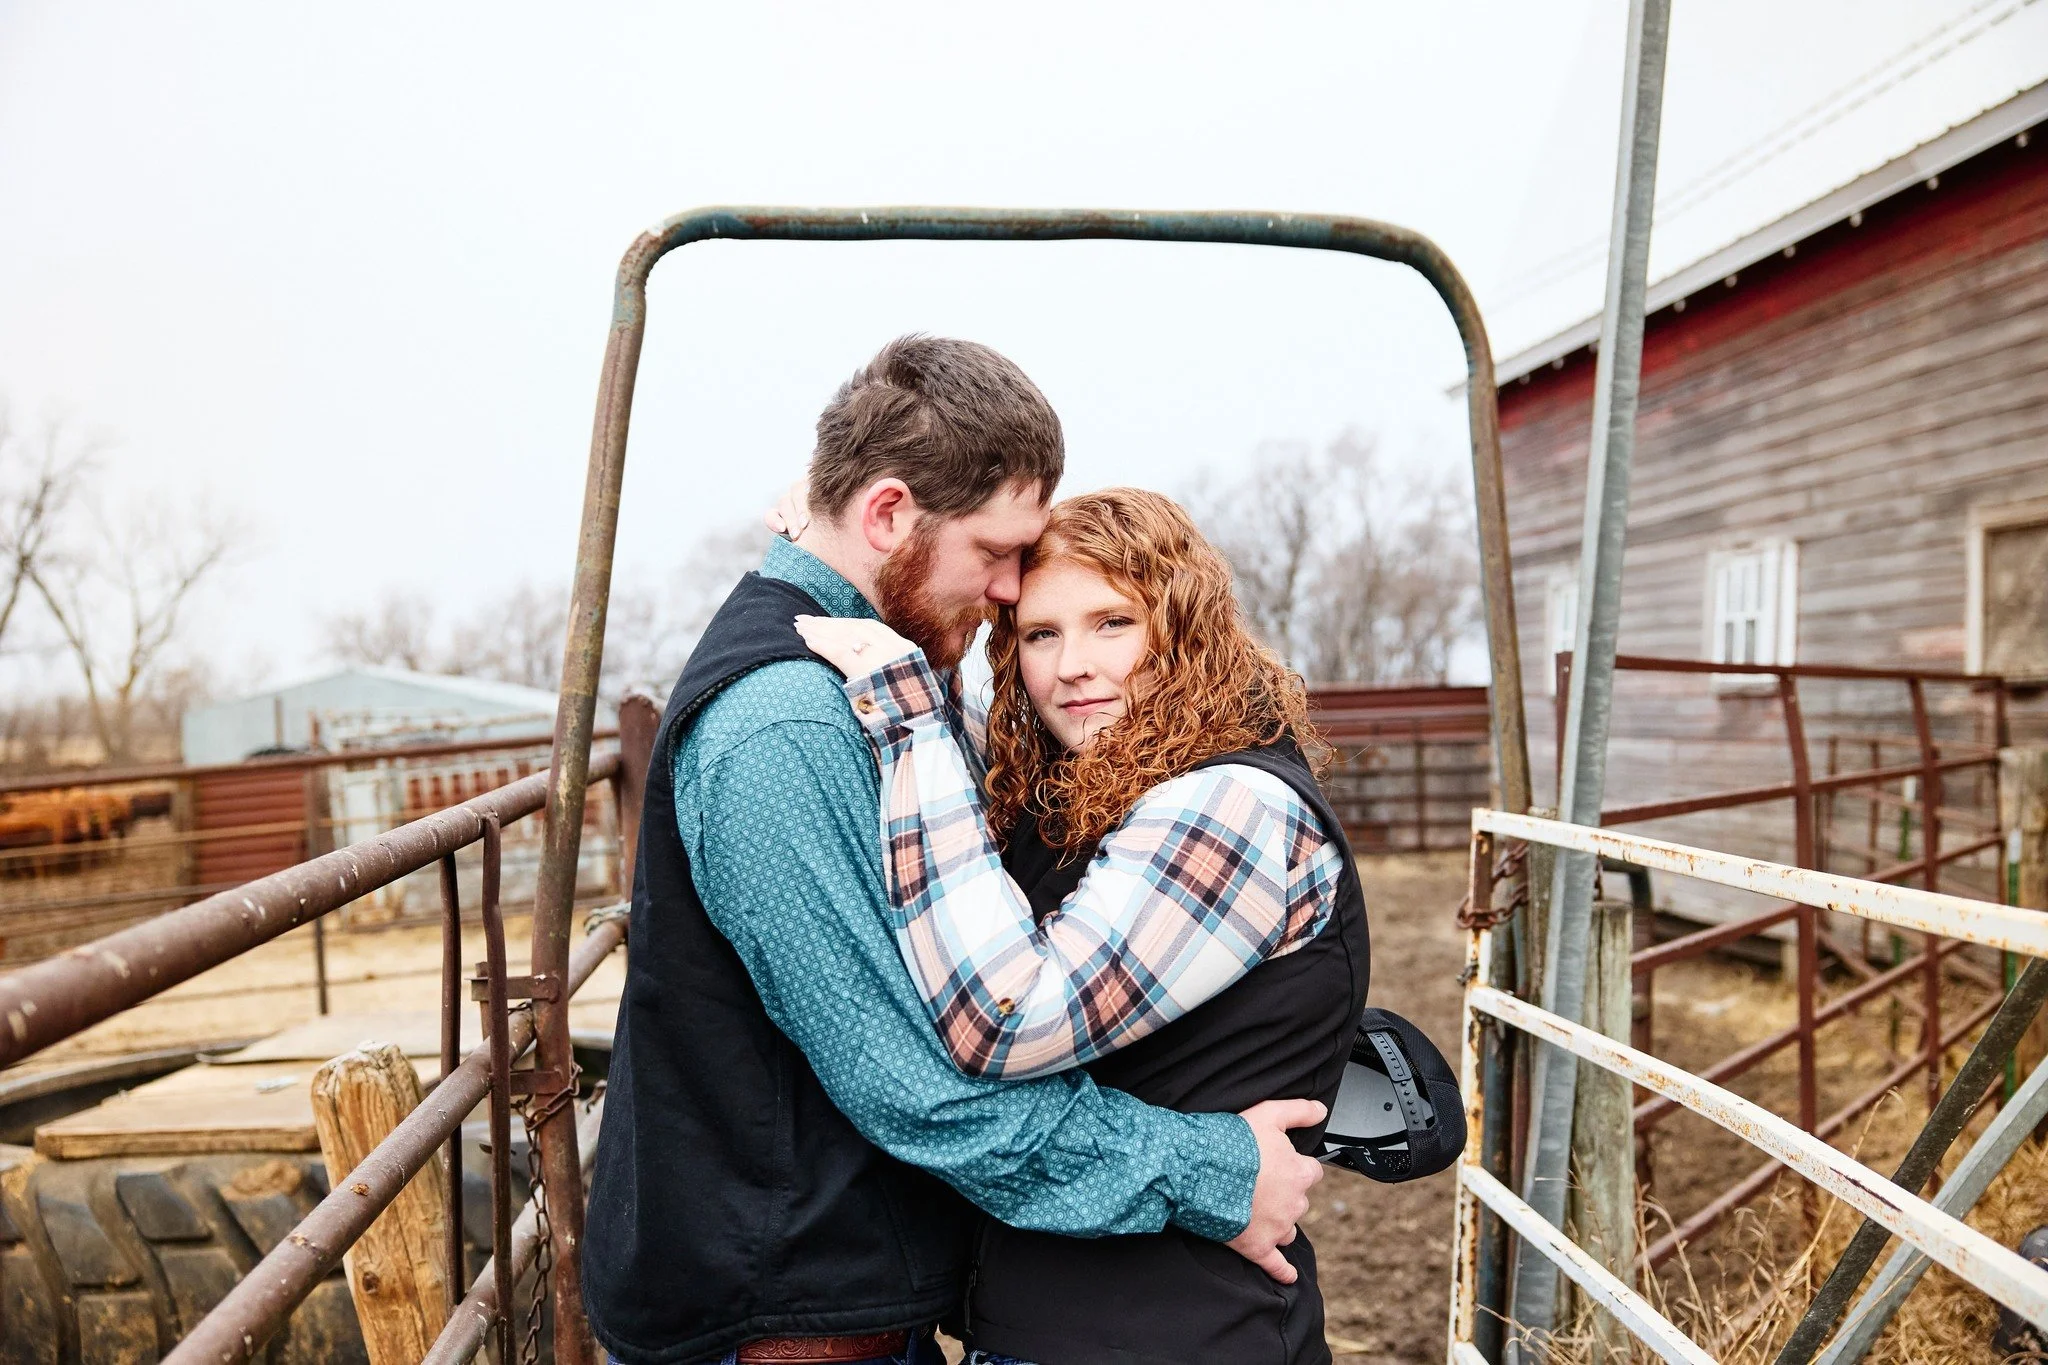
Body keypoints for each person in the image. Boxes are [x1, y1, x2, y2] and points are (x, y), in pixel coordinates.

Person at [583, 337, 1329, 1365]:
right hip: (778, 1324)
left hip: (833, 1292)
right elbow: (916, 1091)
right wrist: (1204, 1170)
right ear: (887, 514)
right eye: (995, 552)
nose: (1012, 589)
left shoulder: (869, 663)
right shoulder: (789, 727)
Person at [794, 488, 1371, 1365]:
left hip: (1178, 1337)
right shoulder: (1092, 787)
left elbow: (1010, 1018)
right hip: (1068, 1328)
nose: (1073, 666)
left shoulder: (1227, 805)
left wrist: (907, 719)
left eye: (1113, 623)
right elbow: (961, 772)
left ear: (1185, 632)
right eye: (1039, 634)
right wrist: (834, 548)